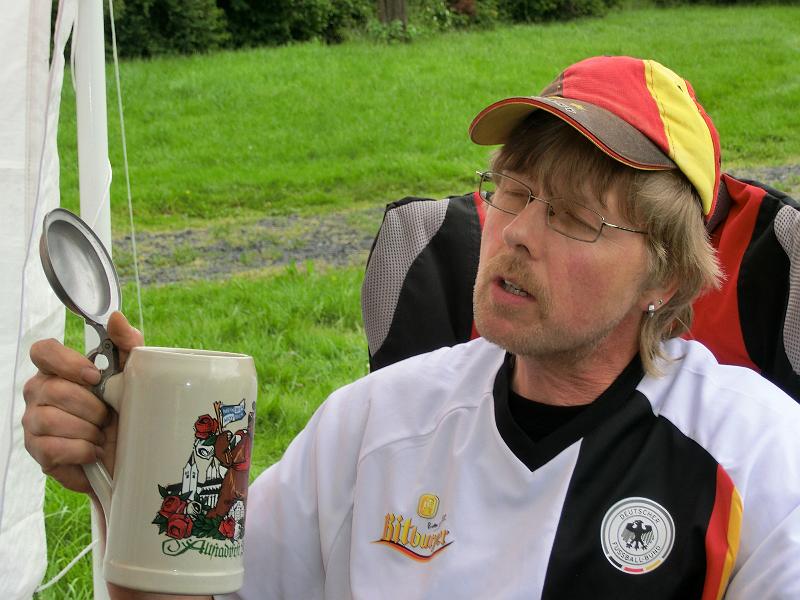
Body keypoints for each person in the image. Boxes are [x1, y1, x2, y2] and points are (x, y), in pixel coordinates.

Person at [22, 56, 800, 599]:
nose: (516, 233)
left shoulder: (759, 456)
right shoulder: (373, 426)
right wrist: (136, 476)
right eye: (513, 191)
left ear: (666, 277)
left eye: (570, 215)